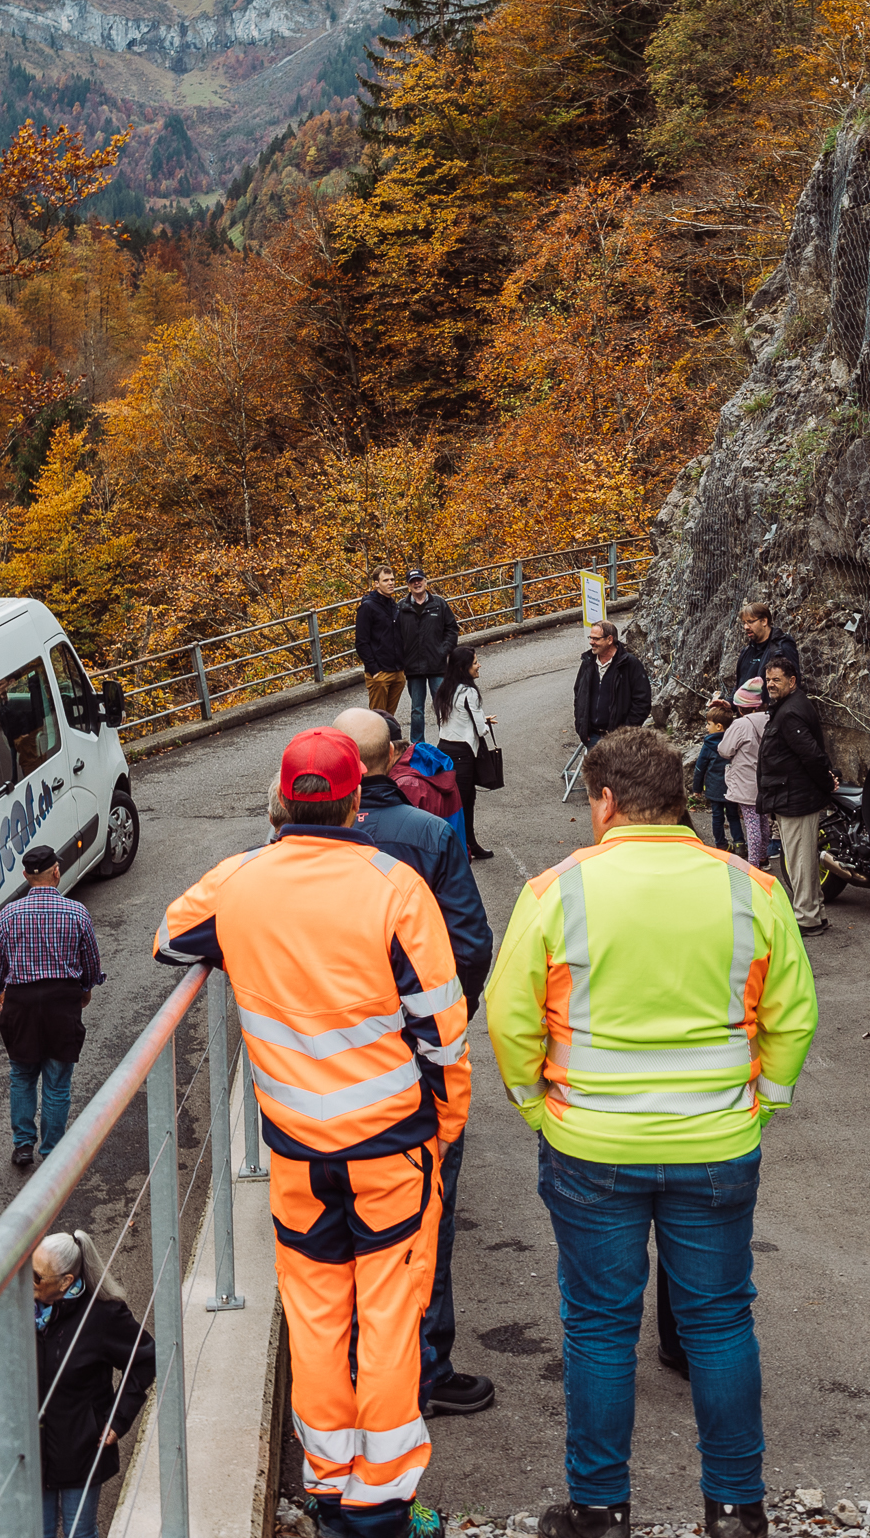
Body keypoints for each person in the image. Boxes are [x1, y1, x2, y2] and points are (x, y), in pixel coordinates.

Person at [486, 726, 818, 1538]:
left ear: (604, 801)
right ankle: (737, 1508)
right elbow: (793, 1018)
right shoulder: (753, 890)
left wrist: (538, 1106)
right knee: (719, 1320)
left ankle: (600, 1508)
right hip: (716, 1144)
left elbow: (509, 1018)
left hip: (592, 1144)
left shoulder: (554, 892)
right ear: (681, 798)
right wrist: (760, 1104)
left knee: (599, 1324)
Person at [156, 728, 471, 1538]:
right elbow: (443, 1028)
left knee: (318, 1310)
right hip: (391, 1146)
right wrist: (444, 1124)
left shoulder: (241, 881)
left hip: (297, 1148)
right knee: (391, 1314)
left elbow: (170, 939)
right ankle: (381, 1504)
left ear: (283, 800)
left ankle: (330, 1488)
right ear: (358, 800)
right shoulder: (394, 886)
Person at [333, 708, 495, 1417]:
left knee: (340, 1222)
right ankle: (427, 1365)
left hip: (328, 1071)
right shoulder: (429, 835)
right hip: (416, 1061)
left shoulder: (293, 847)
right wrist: (448, 1023)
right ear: (395, 754)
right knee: (428, 1211)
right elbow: (470, 942)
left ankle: (358, 1367)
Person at [33, 1230, 156, 1538]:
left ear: (65, 1281)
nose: (27, 1282)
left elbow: (145, 1358)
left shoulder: (102, 1315)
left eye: (36, 1277)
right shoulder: (19, 1310)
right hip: (30, 1448)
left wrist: (119, 1416)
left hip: (80, 1445)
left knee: (80, 1533)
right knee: (37, 1532)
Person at [0, 842, 102, 1170]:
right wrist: (85, 989)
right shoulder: (76, 912)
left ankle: (23, 1145)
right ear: (56, 872)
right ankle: (52, 1151)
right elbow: (91, 963)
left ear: (25, 875)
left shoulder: (9, 915)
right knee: (57, 1079)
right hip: (61, 1006)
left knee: (22, 1074)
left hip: (21, 1006)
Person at [755, 660, 835, 938]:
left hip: (796, 798)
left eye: (777, 679)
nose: (771, 684)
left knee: (799, 861)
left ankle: (806, 918)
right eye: (768, 680)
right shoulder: (790, 707)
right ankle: (815, 913)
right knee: (804, 859)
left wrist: (827, 783)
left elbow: (811, 754)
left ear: (792, 681)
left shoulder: (789, 713)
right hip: (793, 795)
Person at [433, 649, 498, 863]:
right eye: (475, 663)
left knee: (455, 801)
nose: (479, 666)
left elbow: (454, 719)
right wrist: (483, 722)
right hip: (463, 754)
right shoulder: (469, 692)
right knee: (464, 802)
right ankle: (460, 847)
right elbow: (481, 730)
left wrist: (479, 719)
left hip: (445, 748)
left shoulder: (445, 689)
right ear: (463, 668)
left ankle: (468, 844)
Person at [396, 568, 460, 745]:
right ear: (408, 585)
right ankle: (418, 746)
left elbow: (451, 629)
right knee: (417, 710)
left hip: (437, 665)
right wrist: (402, 657)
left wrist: (444, 650)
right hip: (413, 667)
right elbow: (395, 636)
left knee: (442, 705)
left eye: (419, 580)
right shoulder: (401, 607)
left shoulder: (439, 604)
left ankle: (448, 740)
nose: (417, 583)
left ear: (426, 581)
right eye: (413, 581)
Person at [573, 620, 651, 748]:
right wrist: (582, 727)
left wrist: (625, 734)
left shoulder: (630, 664)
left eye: (596, 639)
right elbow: (578, 695)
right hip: (592, 738)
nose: (591, 642)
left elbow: (642, 702)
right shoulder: (587, 663)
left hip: (619, 742)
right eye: (591, 638)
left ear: (609, 640)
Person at [718, 682, 771, 871]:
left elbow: (724, 750)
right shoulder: (770, 719)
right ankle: (764, 857)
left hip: (746, 782)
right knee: (764, 821)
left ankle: (753, 864)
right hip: (766, 781)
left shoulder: (740, 725)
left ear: (741, 708)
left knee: (751, 823)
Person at [692, 700, 740, 853]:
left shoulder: (708, 744)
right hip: (732, 787)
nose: (706, 727)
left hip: (714, 788)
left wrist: (697, 789)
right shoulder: (734, 741)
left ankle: (721, 845)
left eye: (708, 724)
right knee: (733, 816)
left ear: (718, 726)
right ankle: (740, 843)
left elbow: (700, 768)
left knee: (717, 817)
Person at [355, 568, 405, 715]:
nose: (391, 583)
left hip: (397, 670)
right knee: (377, 718)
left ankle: (390, 739)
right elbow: (361, 641)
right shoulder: (368, 607)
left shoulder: (393, 604)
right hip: (380, 673)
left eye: (392, 579)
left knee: (390, 718)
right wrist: (374, 670)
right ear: (376, 583)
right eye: (386, 580)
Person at [730, 603, 799, 695]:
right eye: (744, 623)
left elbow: (792, 687)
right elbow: (740, 687)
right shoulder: (746, 651)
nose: (746, 627)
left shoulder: (781, 648)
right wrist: (729, 703)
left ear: (764, 621)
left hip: (770, 708)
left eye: (750, 622)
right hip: (746, 708)